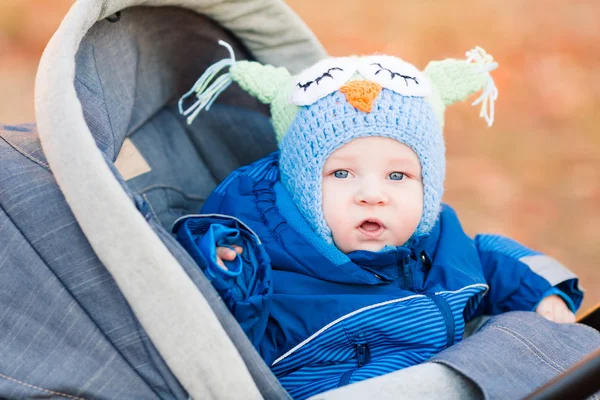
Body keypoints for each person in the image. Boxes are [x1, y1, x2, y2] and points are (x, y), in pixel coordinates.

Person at [173, 43, 583, 400]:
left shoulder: (439, 242)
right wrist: (227, 278)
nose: (372, 194)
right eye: (341, 174)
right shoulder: (272, 266)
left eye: (398, 176)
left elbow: (490, 259)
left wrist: (545, 295)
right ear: (299, 186)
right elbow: (230, 347)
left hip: (463, 378)